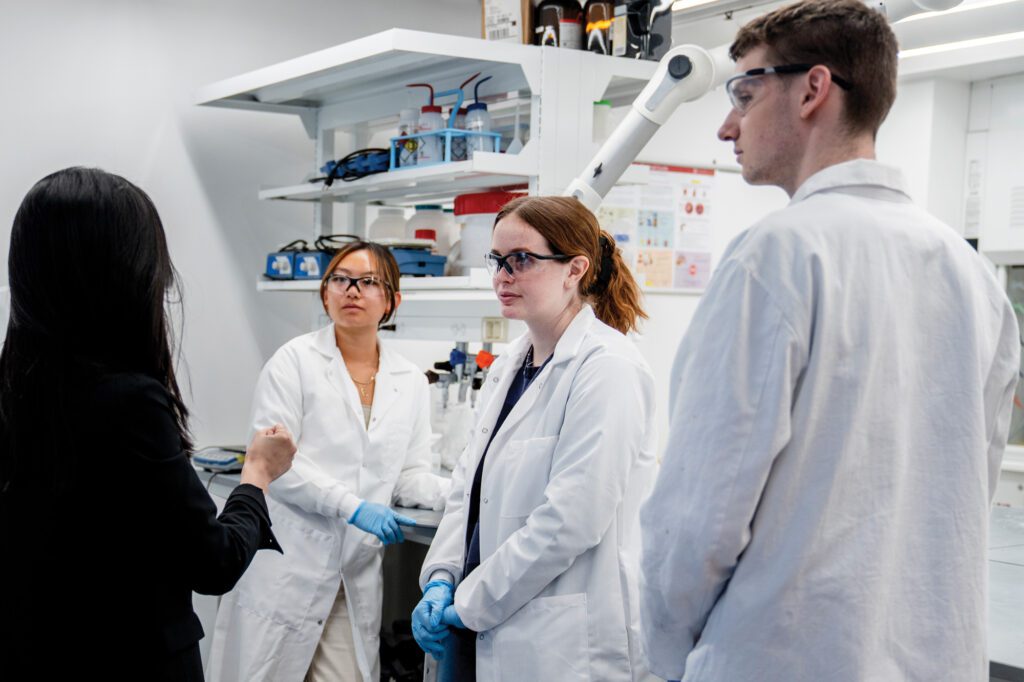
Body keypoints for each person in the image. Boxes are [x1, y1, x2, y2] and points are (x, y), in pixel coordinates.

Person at [639, 1, 1021, 680]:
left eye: (746, 93)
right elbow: (972, 484)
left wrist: (665, 657)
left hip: (784, 658)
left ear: (814, 89)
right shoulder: (969, 274)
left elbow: (700, 515)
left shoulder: (774, 255)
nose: (729, 124)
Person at [0, 167, 296, 680]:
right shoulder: (129, 403)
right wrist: (256, 475)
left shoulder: (15, 394)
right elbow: (213, 562)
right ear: (125, 275)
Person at [412, 195, 657, 681]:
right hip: (473, 617)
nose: (503, 275)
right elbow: (467, 491)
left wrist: (473, 601)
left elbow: (572, 520)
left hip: (556, 639)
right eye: (497, 260)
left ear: (575, 269)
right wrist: (441, 577)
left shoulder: (608, 368)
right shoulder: (509, 365)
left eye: (521, 260)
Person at [208, 241, 450, 682]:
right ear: (325, 294)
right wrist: (351, 506)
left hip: (352, 574)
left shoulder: (410, 380)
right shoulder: (293, 362)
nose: (351, 290)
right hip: (287, 562)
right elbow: (275, 465)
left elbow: (410, 473)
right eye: (340, 280)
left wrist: (461, 490)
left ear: (393, 300)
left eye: (367, 282)